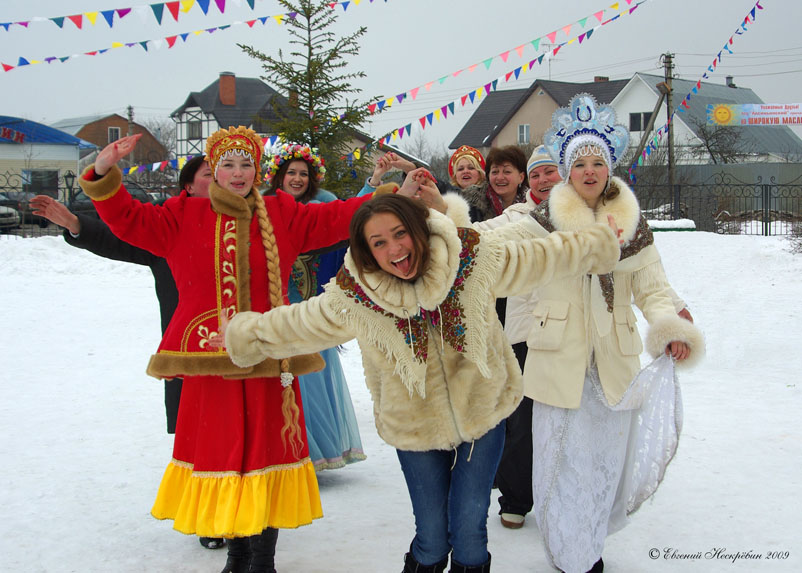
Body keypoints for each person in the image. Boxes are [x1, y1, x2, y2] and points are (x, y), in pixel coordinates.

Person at [223, 184, 623, 573]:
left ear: (418, 228)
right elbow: (301, 322)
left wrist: (596, 245)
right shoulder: (357, 296)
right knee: (431, 540)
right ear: (366, 251)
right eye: (379, 243)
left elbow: (538, 257)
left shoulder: (469, 259)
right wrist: (246, 335)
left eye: (400, 234)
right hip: (413, 427)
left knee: (469, 534)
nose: (394, 250)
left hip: (482, 412)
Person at [76, 126, 397, 573]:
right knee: (225, 458)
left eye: (246, 164)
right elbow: (126, 218)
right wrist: (104, 172)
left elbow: (338, 217)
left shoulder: (281, 211)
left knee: (266, 458)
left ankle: (261, 559)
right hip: (211, 365)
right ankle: (237, 553)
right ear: (213, 169)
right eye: (226, 164)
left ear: (258, 169)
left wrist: (387, 193)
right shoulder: (180, 215)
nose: (238, 173)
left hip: (270, 357)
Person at [523, 94, 704, 572]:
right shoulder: (540, 223)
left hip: (612, 361)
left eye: (597, 161)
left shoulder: (632, 224)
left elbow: (653, 286)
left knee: (602, 462)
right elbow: (505, 260)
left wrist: (668, 328)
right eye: (579, 162)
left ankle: (588, 544)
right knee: (562, 465)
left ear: (609, 167)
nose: (588, 170)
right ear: (565, 170)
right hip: (559, 358)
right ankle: (570, 552)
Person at [31, 156, 229, 551]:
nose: (222, 179)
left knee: (237, 436)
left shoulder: (247, 226)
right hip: (190, 356)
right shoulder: (169, 231)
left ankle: (248, 515)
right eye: (209, 174)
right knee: (200, 441)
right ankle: (210, 517)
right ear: (188, 187)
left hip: (241, 354)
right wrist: (75, 224)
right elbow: (120, 236)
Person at [264, 143, 366, 471]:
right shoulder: (262, 208)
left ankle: (316, 453)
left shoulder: (322, 207)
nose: (297, 178)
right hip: (275, 312)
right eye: (291, 173)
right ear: (278, 175)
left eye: (303, 174)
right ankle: (288, 451)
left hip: (313, 312)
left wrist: (373, 185)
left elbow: (352, 216)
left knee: (313, 381)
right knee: (283, 383)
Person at [460, 145, 528, 222]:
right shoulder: (471, 203)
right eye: (495, 172)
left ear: (521, 177)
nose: (500, 177)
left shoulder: (533, 205)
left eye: (507, 172)